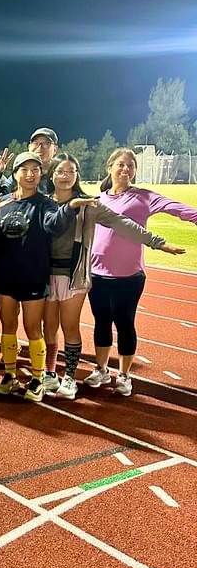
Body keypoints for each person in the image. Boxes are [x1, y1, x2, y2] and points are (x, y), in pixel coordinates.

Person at [43, 153, 183, 399]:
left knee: (71, 327)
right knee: (49, 327)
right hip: (44, 274)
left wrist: (157, 243)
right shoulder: (42, 202)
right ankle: (49, 372)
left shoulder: (90, 205)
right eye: (60, 171)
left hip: (74, 275)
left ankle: (70, 378)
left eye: (70, 171)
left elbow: (123, 223)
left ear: (77, 175)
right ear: (52, 174)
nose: (65, 176)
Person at [84, 148, 196, 397]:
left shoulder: (144, 197)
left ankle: (124, 375)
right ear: (109, 167)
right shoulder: (97, 200)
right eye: (121, 165)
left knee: (124, 324)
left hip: (129, 276)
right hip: (97, 274)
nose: (125, 169)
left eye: (131, 166)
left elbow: (176, 208)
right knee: (101, 323)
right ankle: (101, 369)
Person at [0, 152, 91, 402]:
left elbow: (54, 225)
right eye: (24, 169)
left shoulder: (46, 204)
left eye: (35, 170)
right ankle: (9, 375)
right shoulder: (4, 201)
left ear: (41, 174)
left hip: (33, 275)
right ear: (15, 173)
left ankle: (37, 378)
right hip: (5, 276)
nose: (30, 174)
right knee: (8, 327)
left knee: (33, 329)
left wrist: (70, 208)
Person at [0, 128, 59, 197]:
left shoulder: (61, 174)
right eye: (35, 143)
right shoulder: (20, 173)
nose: (40, 147)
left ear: (55, 149)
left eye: (46, 143)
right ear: (29, 147)